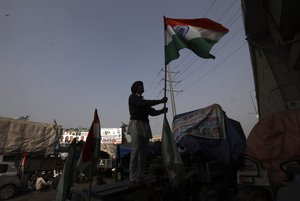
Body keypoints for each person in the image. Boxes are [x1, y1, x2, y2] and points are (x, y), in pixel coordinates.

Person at [128, 80, 168, 184]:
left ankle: (140, 176)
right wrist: (160, 101)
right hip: (136, 124)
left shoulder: (143, 101)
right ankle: (132, 178)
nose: (142, 87)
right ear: (136, 88)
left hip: (145, 125)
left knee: (143, 153)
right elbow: (143, 104)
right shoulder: (132, 97)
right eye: (141, 85)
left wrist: (161, 111)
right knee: (136, 151)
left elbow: (152, 112)